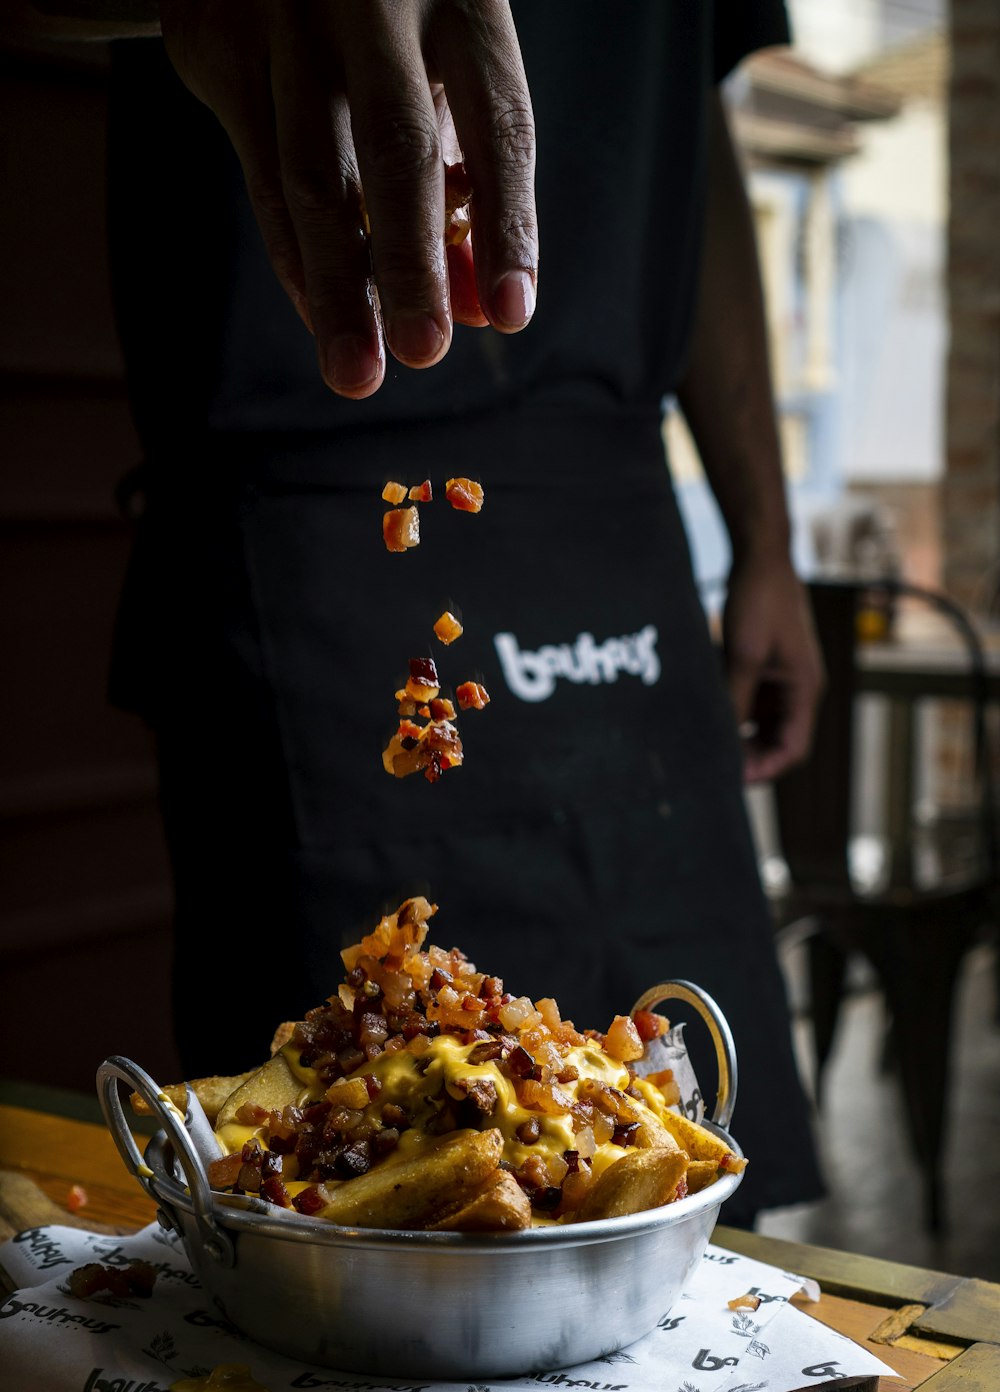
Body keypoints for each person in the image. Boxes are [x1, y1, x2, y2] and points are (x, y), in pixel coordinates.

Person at [31, 0, 825, 1221]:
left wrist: (766, 541)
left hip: (610, 513)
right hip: (297, 506)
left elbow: (693, 138)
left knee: (688, 1162)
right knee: (314, 1171)